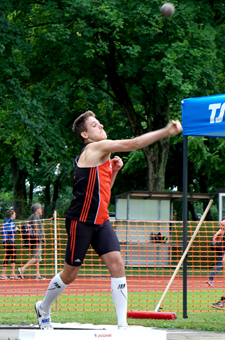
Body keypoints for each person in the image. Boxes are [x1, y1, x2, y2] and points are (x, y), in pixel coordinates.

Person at [34, 110, 182, 330]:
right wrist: (166, 131)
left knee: (117, 264)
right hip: (80, 221)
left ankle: (122, 324)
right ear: (85, 135)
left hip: (101, 220)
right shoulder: (94, 148)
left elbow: (103, 194)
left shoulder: (102, 158)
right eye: (95, 125)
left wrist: (113, 173)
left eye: (100, 123)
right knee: (70, 274)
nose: (101, 126)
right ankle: (43, 307)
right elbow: (134, 143)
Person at [18, 203, 45, 280]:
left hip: (31, 239)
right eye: (40, 208)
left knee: (36, 257)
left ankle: (37, 275)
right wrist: (41, 238)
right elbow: (36, 229)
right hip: (36, 239)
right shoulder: (36, 217)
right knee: (36, 256)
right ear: (37, 209)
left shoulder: (31, 217)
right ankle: (22, 269)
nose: (41, 210)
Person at [0, 209, 20, 280]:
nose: (15, 215)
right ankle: (6, 274)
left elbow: (2, 232)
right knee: (11, 256)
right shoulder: (11, 222)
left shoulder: (5, 222)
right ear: (11, 215)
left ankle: (11, 273)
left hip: (5, 241)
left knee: (10, 255)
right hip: (9, 241)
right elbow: (10, 231)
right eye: (14, 214)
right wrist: (16, 229)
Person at [206, 218, 225, 288]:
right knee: (220, 263)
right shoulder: (221, 230)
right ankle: (210, 279)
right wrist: (214, 241)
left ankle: (210, 279)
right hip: (220, 248)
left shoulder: (221, 230)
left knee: (221, 263)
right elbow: (215, 237)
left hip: (219, 248)